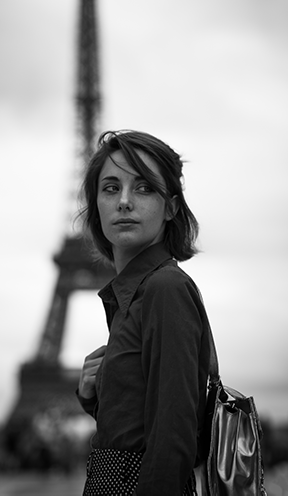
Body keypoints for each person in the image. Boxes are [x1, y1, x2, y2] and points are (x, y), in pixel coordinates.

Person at [76, 130, 211, 496]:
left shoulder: (164, 290)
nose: (123, 202)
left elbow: (173, 441)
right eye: (110, 188)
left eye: (144, 188)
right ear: (96, 205)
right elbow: (134, 433)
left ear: (171, 207)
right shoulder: (136, 296)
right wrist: (95, 396)